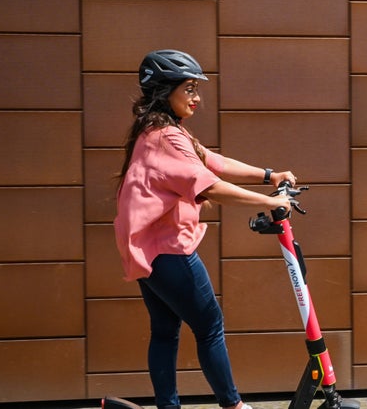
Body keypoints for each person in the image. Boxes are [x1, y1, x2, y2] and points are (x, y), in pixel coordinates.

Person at [114, 49, 296, 409]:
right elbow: (209, 186)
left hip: (147, 249)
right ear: (166, 91)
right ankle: (234, 406)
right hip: (168, 251)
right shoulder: (165, 136)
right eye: (190, 89)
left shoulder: (163, 131)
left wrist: (269, 176)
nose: (197, 98)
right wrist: (271, 202)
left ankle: (169, 406)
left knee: (165, 331)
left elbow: (216, 162)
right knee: (210, 325)